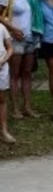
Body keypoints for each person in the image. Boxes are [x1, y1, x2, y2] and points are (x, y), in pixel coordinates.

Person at [0, 0, 38, 118]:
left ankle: (27, 106)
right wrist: (13, 28)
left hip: (30, 37)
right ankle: (15, 107)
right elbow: (1, 16)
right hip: (15, 38)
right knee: (15, 73)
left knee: (27, 73)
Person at [0, 12, 12, 143]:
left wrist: (3, 61)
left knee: (2, 99)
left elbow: (10, 48)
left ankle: (4, 130)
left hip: (2, 67)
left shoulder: (2, 28)